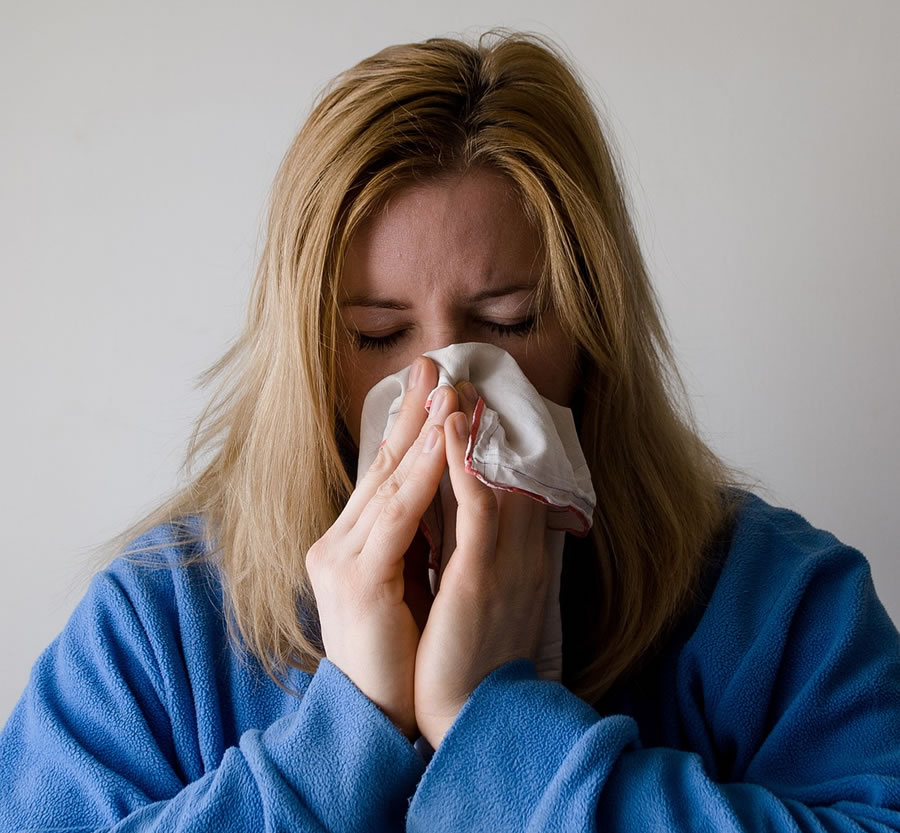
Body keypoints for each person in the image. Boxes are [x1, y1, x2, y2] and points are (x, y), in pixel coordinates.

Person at [1, 28, 898, 832]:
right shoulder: (161, 627)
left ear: (592, 334)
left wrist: (502, 730)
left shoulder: (778, 603)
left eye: (508, 323)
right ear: (312, 356)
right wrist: (347, 731)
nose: (444, 396)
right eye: (379, 336)